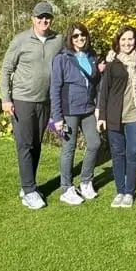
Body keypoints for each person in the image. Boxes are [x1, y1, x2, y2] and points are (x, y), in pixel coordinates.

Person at [0, 1, 64, 210]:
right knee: (25, 145)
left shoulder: (58, 40)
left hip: (45, 100)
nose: (44, 21)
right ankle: (29, 191)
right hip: (22, 100)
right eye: (40, 17)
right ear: (33, 19)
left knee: (36, 144)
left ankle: (28, 185)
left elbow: (70, 60)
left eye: (47, 17)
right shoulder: (20, 40)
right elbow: (6, 70)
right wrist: (6, 99)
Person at [50, 22, 102, 205]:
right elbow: (55, 88)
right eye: (75, 36)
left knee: (95, 143)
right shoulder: (62, 58)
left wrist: (98, 106)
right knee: (69, 148)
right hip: (69, 111)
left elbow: (97, 82)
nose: (80, 38)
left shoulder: (91, 55)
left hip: (88, 109)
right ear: (70, 39)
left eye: (82, 35)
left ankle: (86, 181)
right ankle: (66, 188)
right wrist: (57, 117)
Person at [97, 26, 136, 208]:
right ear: (118, 41)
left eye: (130, 39)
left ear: (135, 41)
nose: (127, 43)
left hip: (135, 114)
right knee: (117, 154)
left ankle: (129, 192)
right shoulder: (112, 63)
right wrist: (101, 116)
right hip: (114, 115)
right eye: (123, 39)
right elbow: (104, 90)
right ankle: (120, 191)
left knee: (133, 152)